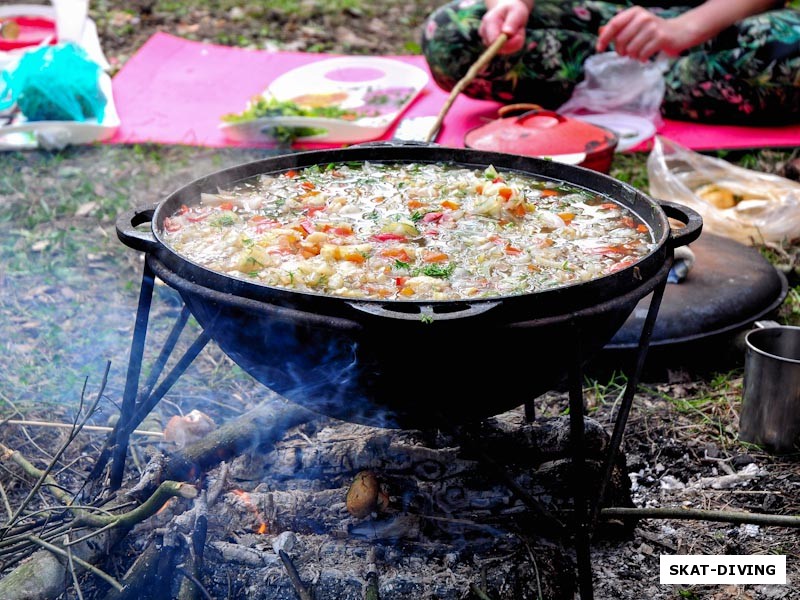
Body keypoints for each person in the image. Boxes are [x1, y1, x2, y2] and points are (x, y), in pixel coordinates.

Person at [421, 0, 800, 124]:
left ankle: (639, 86)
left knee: (791, 45)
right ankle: (629, 85)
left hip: (717, 29)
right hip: (602, 27)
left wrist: (683, 29)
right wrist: (512, 5)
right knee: (451, 33)